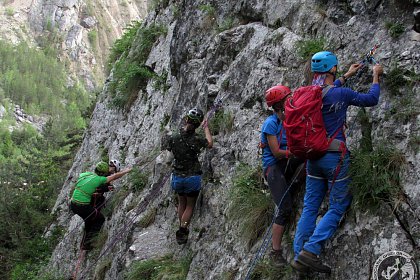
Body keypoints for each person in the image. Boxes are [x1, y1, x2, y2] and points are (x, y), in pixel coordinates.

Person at [291, 51, 383, 273]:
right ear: (332, 69)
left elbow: (324, 92)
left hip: (312, 158)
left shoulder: (305, 94)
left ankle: (297, 255)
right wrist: (376, 76)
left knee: (310, 207)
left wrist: (347, 75)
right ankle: (310, 251)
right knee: (338, 204)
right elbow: (371, 99)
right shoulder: (341, 94)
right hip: (334, 158)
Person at [260, 85, 304, 267]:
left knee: (308, 162)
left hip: (287, 162)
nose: (291, 100)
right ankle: (275, 252)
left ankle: (292, 187)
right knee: (285, 208)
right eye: (288, 98)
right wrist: (296, 152)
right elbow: (277, 152)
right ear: (279, 104)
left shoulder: (289, 117)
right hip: (274, 167)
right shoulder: (271, 123)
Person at [162, 108, 213, 245]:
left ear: (186, 119)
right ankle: (183, 228)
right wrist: (206, 128)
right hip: (192, 177)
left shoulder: (173, 137)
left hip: (177, 177)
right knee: (190, 205)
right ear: (197, 125)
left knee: (181, 203)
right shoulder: (197, 139)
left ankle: (181, 226)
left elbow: (168, 157)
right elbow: (210, 144)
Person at [70, 160, 131, 250]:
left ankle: (85, 244)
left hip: (73, 204)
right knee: (100, 219)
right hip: (82, 206)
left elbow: (86, 184)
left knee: (89, 220)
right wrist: (126, 171)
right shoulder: (99, 179)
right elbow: (114, 176)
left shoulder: (85, 174)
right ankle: (89, 243)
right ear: (103, 173)